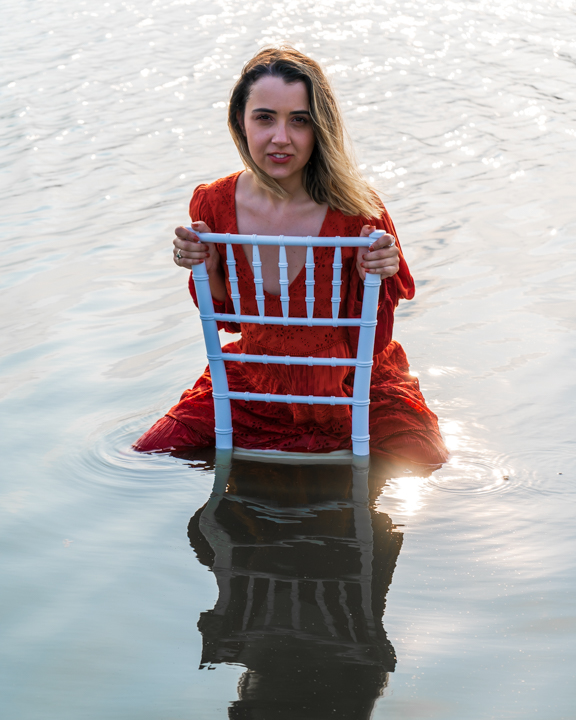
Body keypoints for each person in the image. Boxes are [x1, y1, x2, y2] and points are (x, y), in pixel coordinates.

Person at [134, 46, 448, 467]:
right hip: (257, 378)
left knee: (425, 462)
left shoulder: (359, 211)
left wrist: (379, 273)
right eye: (264, 118)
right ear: (240, 123)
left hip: (354, 384)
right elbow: (227, 317)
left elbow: (374, 342)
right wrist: (205, 266)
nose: (280, 137)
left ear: (320, 129)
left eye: (299, 121)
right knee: (150, 453)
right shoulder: (214, 204)